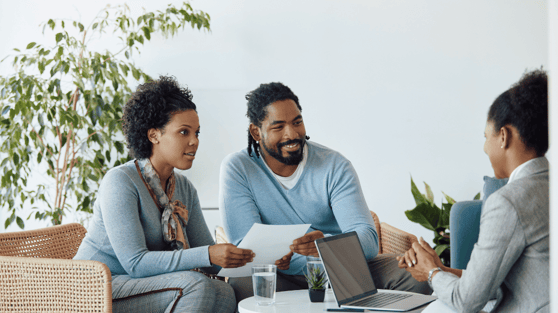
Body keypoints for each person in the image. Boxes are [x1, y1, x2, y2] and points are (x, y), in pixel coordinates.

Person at [219, 82, 431, 302]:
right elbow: (245, 245)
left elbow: (368, 240)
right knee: (242, 284)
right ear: (256, 132)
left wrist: (325, 245)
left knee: (416, 275)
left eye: (297, 122)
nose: (291, 134)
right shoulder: (238, 168)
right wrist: (287, 257)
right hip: (281, 274)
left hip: (342, 265)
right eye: (278, 127)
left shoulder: (334, 165)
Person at [74, 76, 254, 313]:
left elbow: (210, 260)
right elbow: (136, 263)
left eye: (197, 133)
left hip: (140, 284)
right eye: (183, 132)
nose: (194, 142)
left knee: (226, 292)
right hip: (97, 287)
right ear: (154, 135)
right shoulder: (120, 182)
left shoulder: (184, 188)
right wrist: (209, 255)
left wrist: (251, 258)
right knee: (195, 286)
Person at [397, 69, 549, 312]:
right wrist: (441, 270)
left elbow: (466, 302)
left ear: (503, 136)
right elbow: (497, 280)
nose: (485, 148)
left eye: (485, 136)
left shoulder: (508, 202)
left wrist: (431, 273)